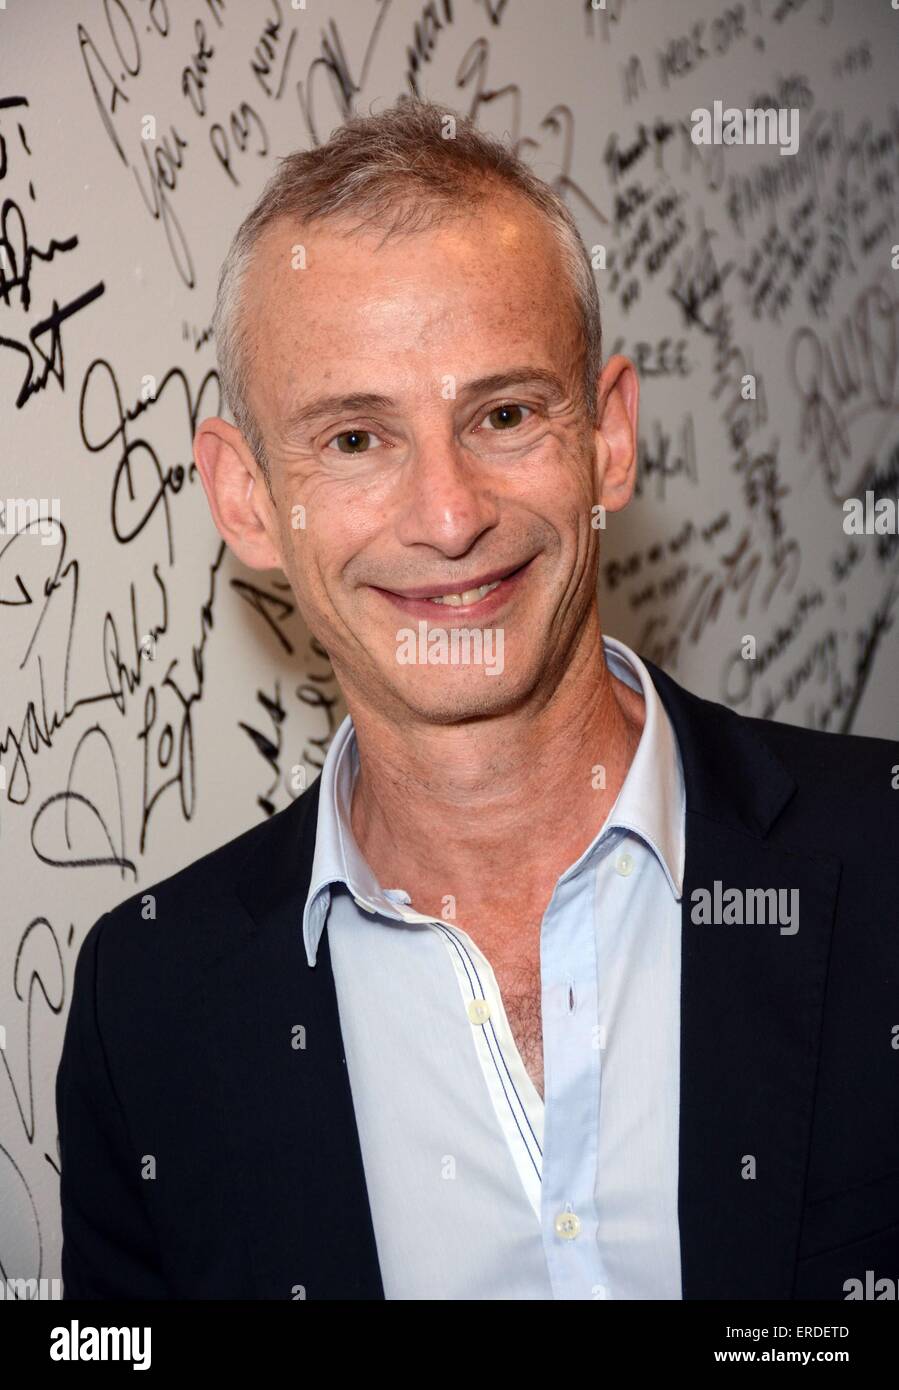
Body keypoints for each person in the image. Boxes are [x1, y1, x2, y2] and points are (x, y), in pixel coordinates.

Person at [57, 99, 899, 1300]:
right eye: (355, 439)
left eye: (503, 415)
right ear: (244, 500)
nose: (448, 517)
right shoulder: (147, 1011)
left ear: (607, 439)